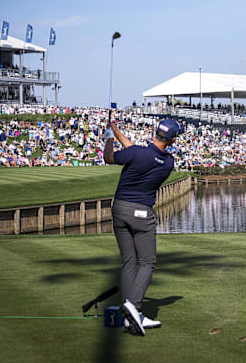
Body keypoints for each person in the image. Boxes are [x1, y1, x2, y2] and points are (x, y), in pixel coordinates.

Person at [103, 116, 180, 336]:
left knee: (129, 261)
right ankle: (133, 306)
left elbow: (110, 157)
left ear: (156, 132)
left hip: (119, 209)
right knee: (147, 262)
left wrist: (109, 135)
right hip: (142, 214)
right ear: (172, 140)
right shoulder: (168, 163)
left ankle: (131, 317)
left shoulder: (137, 153)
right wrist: (116, 130)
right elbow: (140, 153)